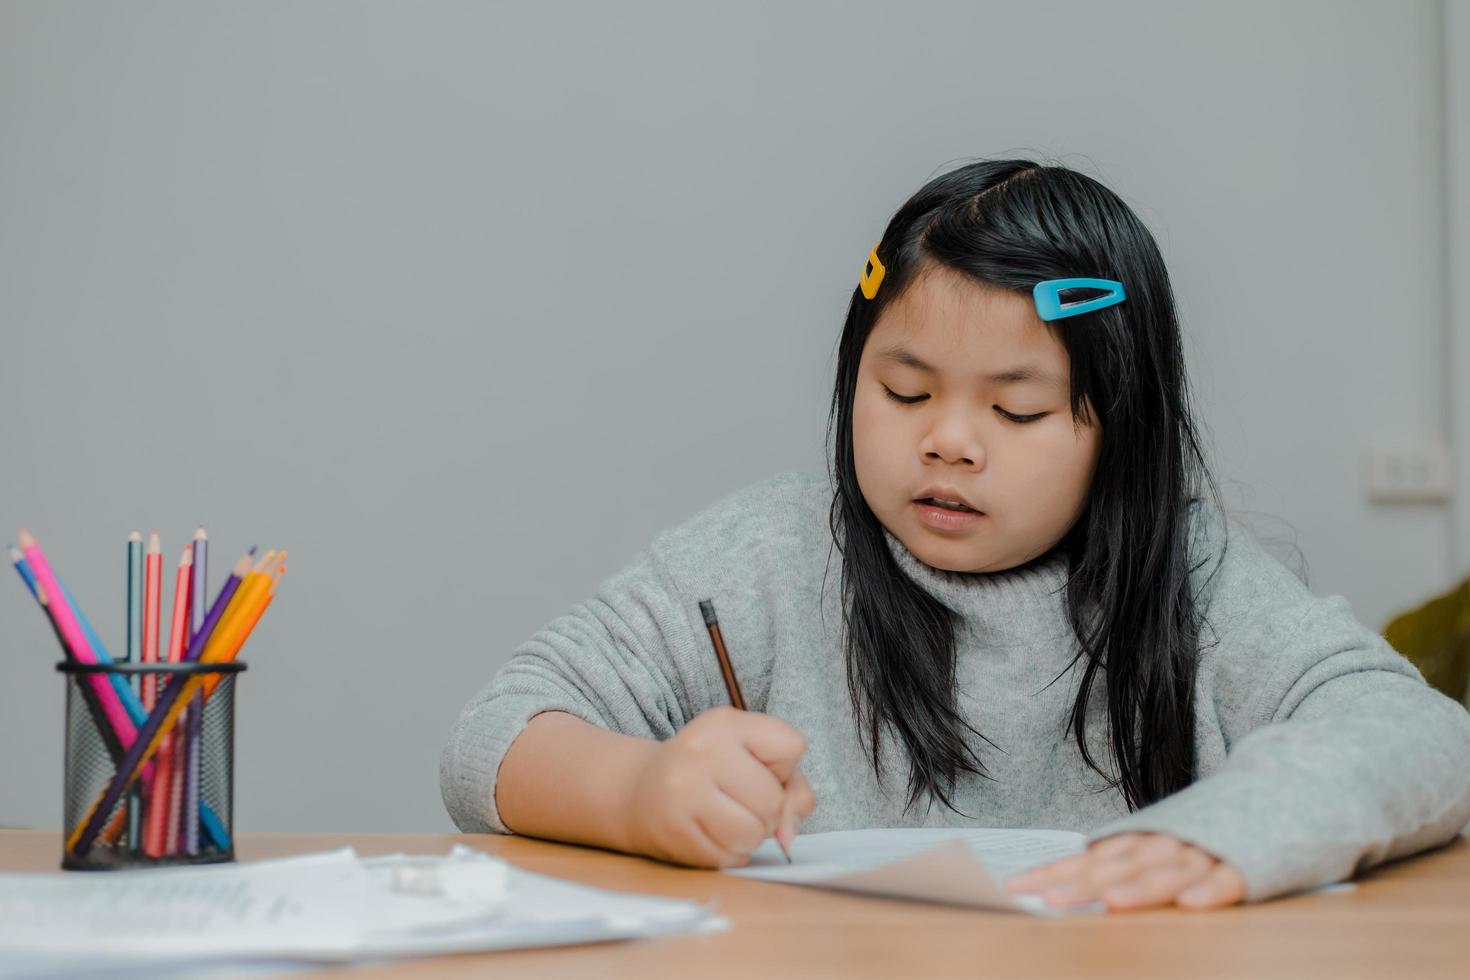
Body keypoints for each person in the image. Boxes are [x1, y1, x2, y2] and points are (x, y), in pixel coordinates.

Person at [441, 159, 1470, 911]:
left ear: (1123, 428)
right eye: (903, 390)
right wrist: (640, 789)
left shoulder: (1194, 582)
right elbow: (496, 733)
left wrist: (1244, 828)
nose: (947, 442)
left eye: (1016, 412)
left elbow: (1426, 737)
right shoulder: (767, 552)